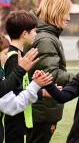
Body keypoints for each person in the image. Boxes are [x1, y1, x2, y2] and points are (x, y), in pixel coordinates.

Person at [27, 0, 74, 143]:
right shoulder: (45, 39)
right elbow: (50, 75)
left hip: (40, 107)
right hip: (42, 109)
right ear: (56, 12)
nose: (69, 18)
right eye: (66, 13)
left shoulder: (43, 34)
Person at [4, 10, 38, 143]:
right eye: (34, 31)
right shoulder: (13, 58)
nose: (36, 34)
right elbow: (10, 92)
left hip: (18, 116)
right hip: (13, 119)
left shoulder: (18, 54)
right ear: (24, 33)